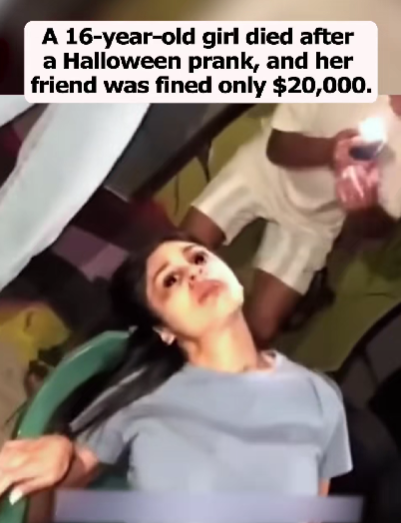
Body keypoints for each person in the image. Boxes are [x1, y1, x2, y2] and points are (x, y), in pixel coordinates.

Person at [0, 230, 352, 523]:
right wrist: (60, 454)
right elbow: (45, 508)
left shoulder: (319, 394)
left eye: (198, 258)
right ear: (164, 330)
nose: (194, 273)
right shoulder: (145, 393)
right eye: (170, 280)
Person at [181, 96, 401, 347]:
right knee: (180, 250)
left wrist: (363, 208)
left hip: (313, 222)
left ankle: (204, 363)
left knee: (260, 330)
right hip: (261, 173)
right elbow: (278, 147)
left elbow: (380, 228)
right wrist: (331, 150)